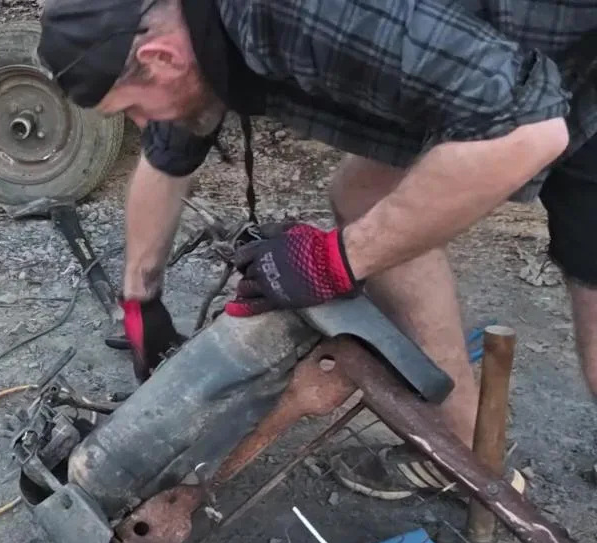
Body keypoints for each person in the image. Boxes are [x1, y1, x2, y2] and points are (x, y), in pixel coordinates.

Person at [35, 0, 597, 447]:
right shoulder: (195, 28)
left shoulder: (293, 11)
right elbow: (168, 152)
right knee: (364, 194)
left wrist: (333, 261)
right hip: (498, 60)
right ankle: (467, 443)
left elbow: (527, 132)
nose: (141, 123)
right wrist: (141, 297)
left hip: (577, 53)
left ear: (160, 56)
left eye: (131, 109)